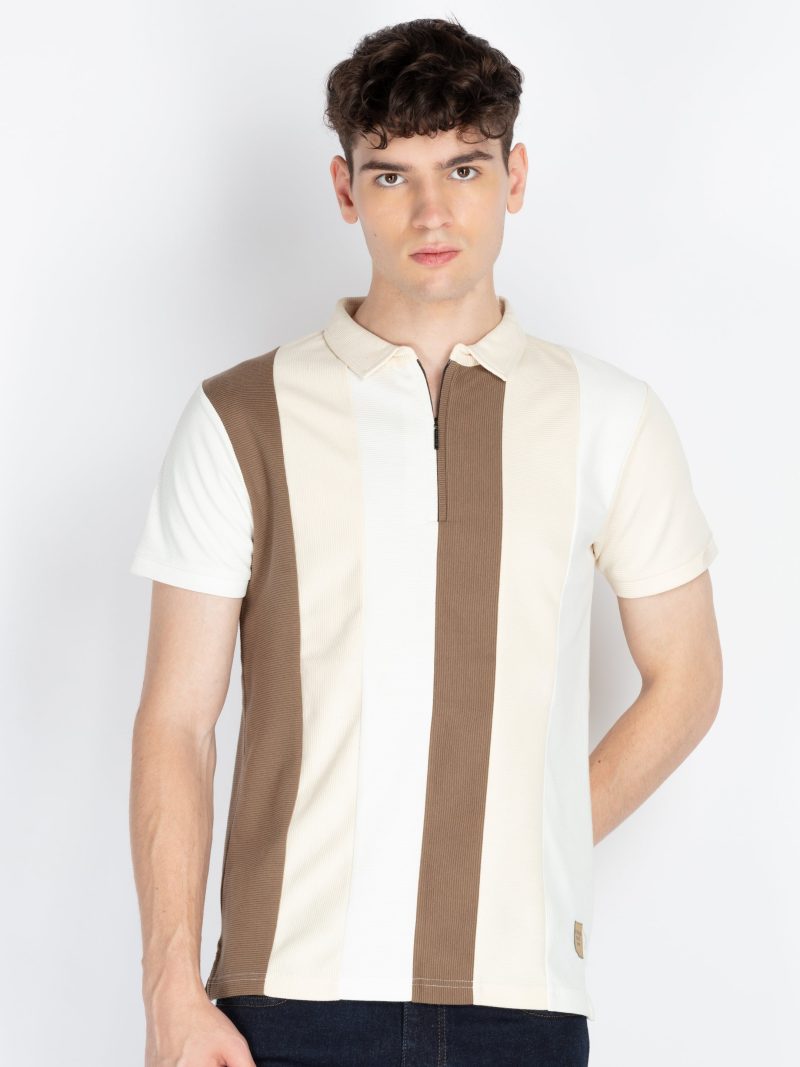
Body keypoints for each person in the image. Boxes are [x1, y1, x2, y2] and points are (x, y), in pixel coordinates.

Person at [129, 15, 722, 1067]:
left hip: (520, 1002)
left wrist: (536, 837)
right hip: (284, 999)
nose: (432, 211)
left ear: (514, 176)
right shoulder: (241, 416)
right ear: (345, 189)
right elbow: (178, 718)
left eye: (464, 167)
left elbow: (687, 676)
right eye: (392, 174)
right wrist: (171, 988)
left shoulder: (612, 417)